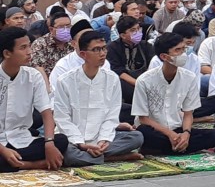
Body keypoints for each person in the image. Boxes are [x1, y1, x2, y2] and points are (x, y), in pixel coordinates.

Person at [54, 30, 144, 166]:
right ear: (83, 54)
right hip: (73, 139)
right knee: (68, 152)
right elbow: (62, 119)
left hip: (100, 137)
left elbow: (112, 116)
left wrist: (103, 140)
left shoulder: (112, 78)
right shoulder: (65, 81)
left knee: (137, 137)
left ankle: (95, 156)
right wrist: (82, 144)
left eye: (103, 48)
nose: (102, 54)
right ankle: (112, 158)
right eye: (96, 50)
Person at [131, 33, 215, 154]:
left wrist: (186, 134)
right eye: (177, 50)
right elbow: (143, 119)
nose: (183, 54)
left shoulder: (189, 77)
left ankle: (169, 147)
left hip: (177, 127)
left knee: (214, 136)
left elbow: (188, 113)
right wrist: (169, 134)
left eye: (184, 49)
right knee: (143, 134)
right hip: (155, 129)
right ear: (164, 56)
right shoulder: (144, 80)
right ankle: (176, 147)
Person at [0, 27, 69, 172]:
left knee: (61, 141)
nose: (29, 52)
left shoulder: (33, 76)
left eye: (29, 46)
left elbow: (46, 113)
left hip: (21, 138)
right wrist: (3, 151)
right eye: (23, 48)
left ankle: (19, 164)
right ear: (7, 53)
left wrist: (49, 143)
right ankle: (32, 164)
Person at [148, 22, 215, 119]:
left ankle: (186, 117)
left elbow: (196, 88)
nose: (190, 47)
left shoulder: (194, 59)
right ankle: (190, 118)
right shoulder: (158, 60)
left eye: (193, 43)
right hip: (165, 103)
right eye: (187, 43)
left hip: (186, 103)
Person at [49, 20, 112, 96]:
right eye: (85, 39)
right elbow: (58, 96)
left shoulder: (104, 63)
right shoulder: (63, 66)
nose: (90, 42)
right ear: (73, 44)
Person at [107, 16, 155, 105]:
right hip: (126, 82)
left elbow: (152, 67)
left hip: (145, 81)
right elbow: (118, 70)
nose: (138, 32)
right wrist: (137, 83)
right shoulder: (112, 48)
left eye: (138, 29)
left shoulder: (146, 46)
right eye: (133, 30)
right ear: (122, 35)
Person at [30, 12, 74, 77]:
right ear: (51, 29)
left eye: (68, 26)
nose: (65, 30)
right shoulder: (40, 44)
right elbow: (38, 69)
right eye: (61, 27)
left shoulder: (74, 43)